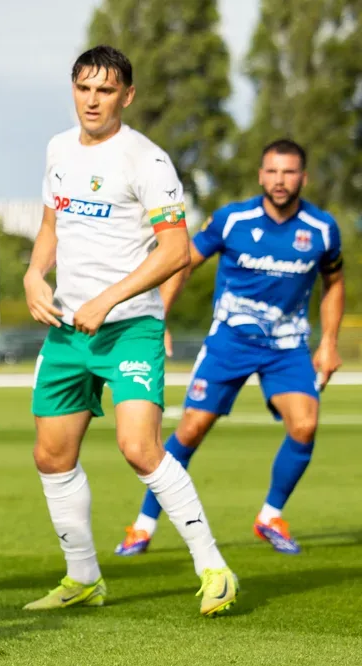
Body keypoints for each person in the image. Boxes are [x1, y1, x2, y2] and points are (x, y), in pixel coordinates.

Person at [23, 46, 237, 616]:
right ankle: (84, 577)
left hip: (131, 327)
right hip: (68, 329)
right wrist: (31, 275)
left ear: (127, 96)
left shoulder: (148, 160)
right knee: (51, 454)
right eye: (84, 88)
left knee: (139, 447)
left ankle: (213, 566)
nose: (93, 100)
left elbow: (177, 251)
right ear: (73, 90)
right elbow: (51, 227)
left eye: (106, 90)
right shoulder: (58, 149)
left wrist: (110, 298)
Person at [116, 139, 343, 557]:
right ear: (261, 175)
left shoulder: (322, 229)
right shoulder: (233, 220)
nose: (280, 180)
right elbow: (181, 260)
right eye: (272, 171)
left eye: (289, 172)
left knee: (305, 426)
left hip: (287, 347)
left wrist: (328, 343)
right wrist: (158, 315)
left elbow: (334, 283)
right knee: (189, 431)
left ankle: (270, 516)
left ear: (303, 178)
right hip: (229, 343)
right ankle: (143, 524)